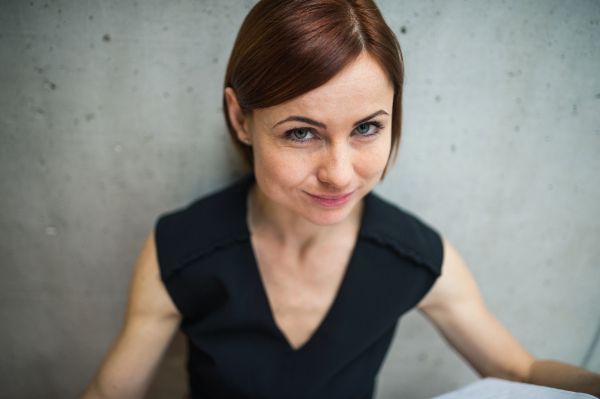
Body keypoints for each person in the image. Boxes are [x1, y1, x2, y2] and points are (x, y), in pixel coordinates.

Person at [80, 0, 600, 398]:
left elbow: (519, 371)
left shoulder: (414, 257)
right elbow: (111, 392)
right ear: (241, 120)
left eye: (368, 127)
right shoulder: (181, 251)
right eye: (301, 133)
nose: (340, 174)